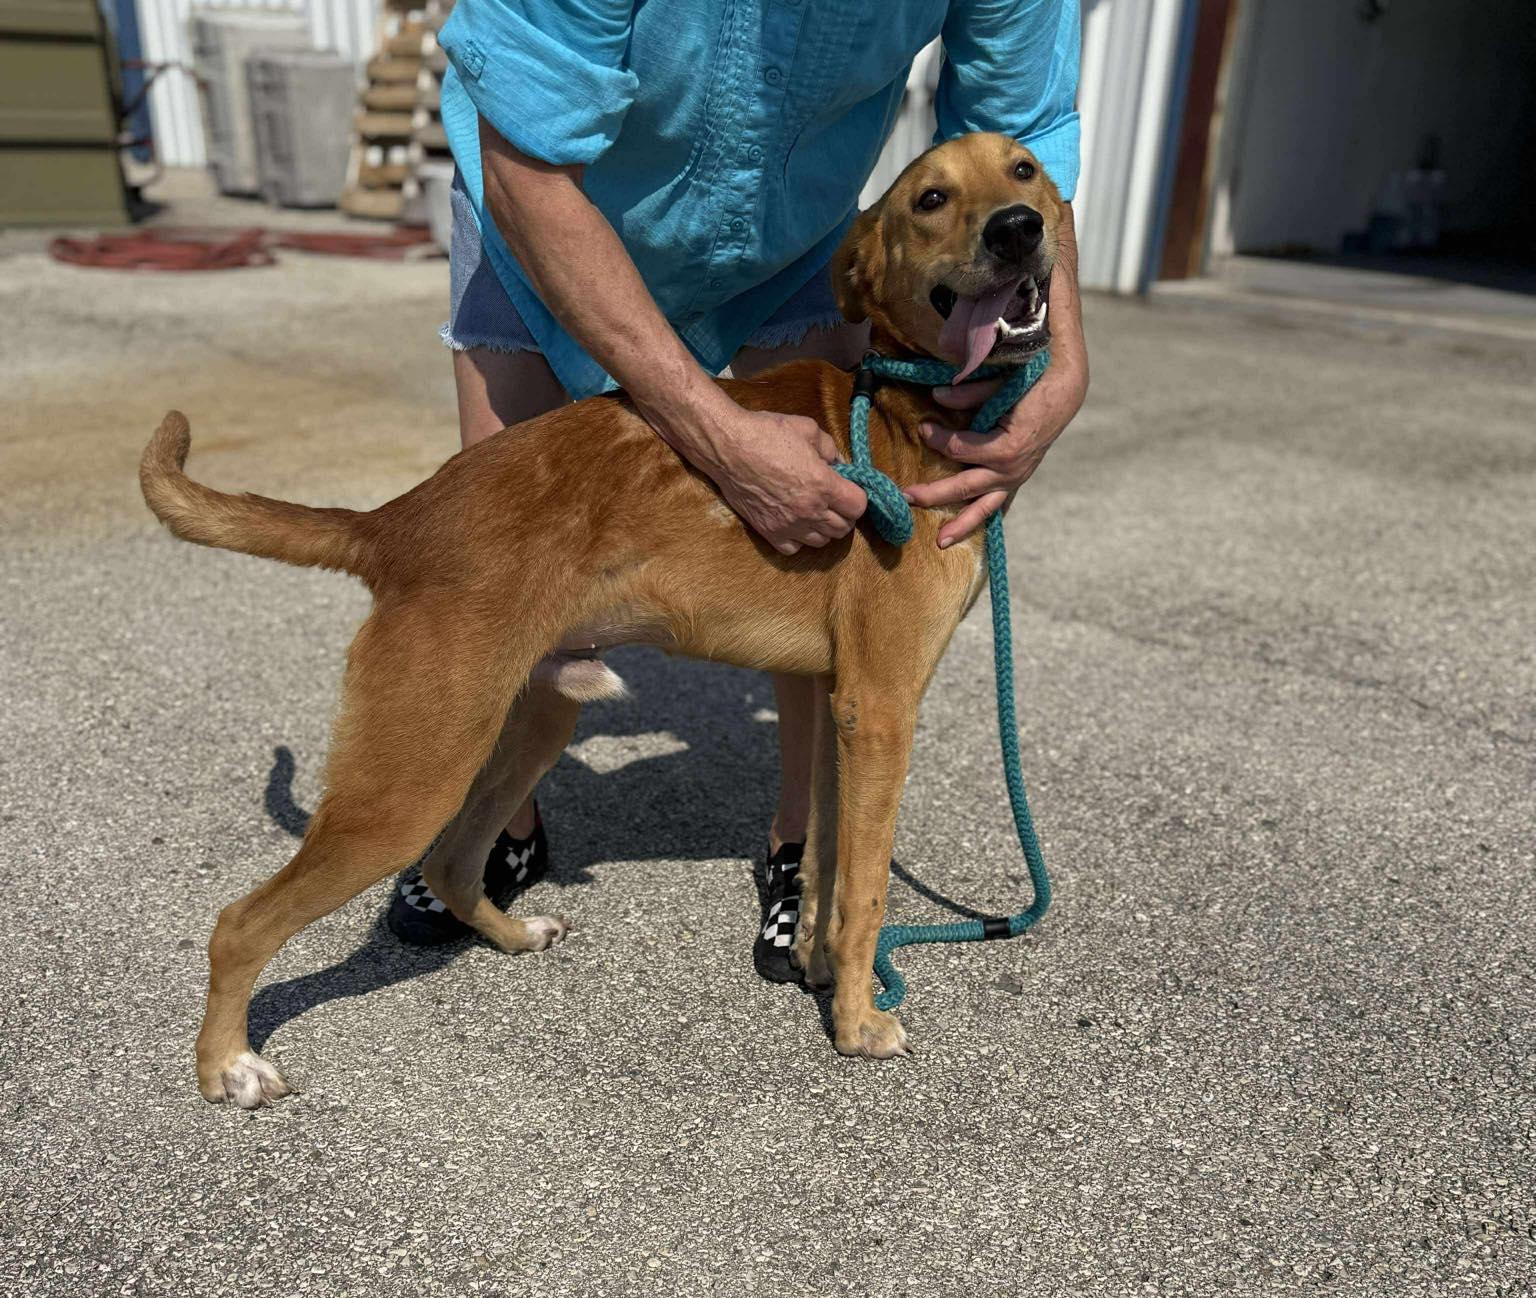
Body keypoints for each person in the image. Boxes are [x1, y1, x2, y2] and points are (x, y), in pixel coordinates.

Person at [388, 0, 1088, 981]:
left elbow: (1029, 127)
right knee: (512, 581)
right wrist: (718, 436)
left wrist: (1060, 353)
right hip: (546, 208)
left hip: (791, 238)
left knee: (825, 563)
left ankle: (800, 849)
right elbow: (529, 163)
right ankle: (500, 827)